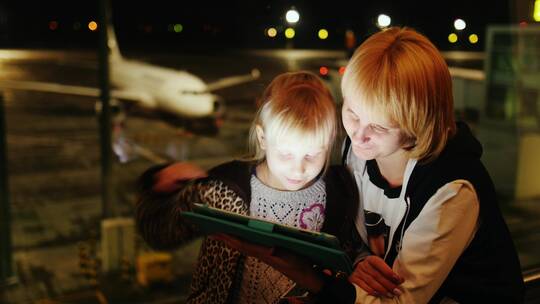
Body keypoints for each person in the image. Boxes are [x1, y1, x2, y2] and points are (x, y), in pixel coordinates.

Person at [219, 27, 525, 303]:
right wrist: (359, 261)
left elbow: (399, 302)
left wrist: (301, 271)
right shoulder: (358, 152)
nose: (358, 135)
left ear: (418, 125)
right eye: (351, 112)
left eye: (379, 127)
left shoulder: (452, 189)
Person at [135, 71, 365, 304]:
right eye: (285, 154)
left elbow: (347, 267)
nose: (298, 169)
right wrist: (159, 188)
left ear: (330, 139)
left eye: (313, 154)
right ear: (263, 138)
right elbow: (159, 234)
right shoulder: (222, 188)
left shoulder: (341, 195)